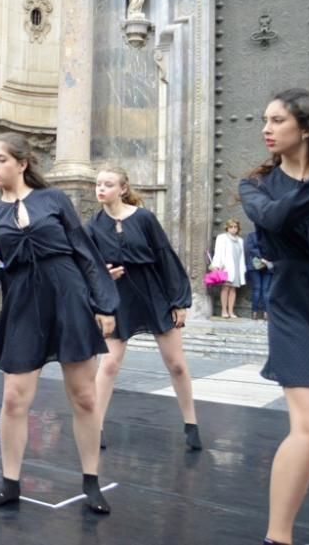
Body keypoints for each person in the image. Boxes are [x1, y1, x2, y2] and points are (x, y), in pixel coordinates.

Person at [0, 133, 117, 515]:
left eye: (1, 159)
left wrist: (105, 305)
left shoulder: (54, 200)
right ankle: (9, 483)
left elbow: (85, 253)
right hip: (21, 305)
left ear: (23, 163)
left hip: (68, 297)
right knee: (15, 398)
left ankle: (91, 482)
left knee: (83, 396)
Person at [238, 88, 309, 545]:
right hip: (294, 305)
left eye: (277, 120)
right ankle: (277, 538)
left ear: (304, 128)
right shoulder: (256, 186)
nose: (266, 128)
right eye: (264, 119)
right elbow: (277, 219)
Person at [87, 167, 200, 452]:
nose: (100, 189)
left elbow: (165, 256)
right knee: (109, 364)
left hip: (153, 292)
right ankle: (95, 427)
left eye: (108, 184)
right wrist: (104, 275)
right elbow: (87, 266)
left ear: (123, 189)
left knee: (176, 363)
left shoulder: (145, 218)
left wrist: (179, 301)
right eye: (98, 184)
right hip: (118, 296)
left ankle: (191, 423)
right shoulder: (92, 225)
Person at [213, 219, 246, 318]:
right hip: (226, 267)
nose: (233, 229)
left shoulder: (240, 240)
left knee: (233, 289)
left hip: (237, 267)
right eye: (231, 227)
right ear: (227, 228)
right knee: (225, 288)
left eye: (235, 227)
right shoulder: (222, 238)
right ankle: (224, 311)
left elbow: (242, 255)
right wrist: (218, 264)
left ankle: (231, 311)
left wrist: (243, 269)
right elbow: (218, 252)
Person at [244, 230, 273, 320]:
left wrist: (266, 259)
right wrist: (262, 258)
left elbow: (274, 249)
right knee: (257, 289)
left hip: (267, 266)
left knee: (265, 290)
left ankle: (266, 313)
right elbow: (250, 248)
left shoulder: (271, 236)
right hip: (254, 265)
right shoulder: (251, 235)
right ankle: (254, 312)